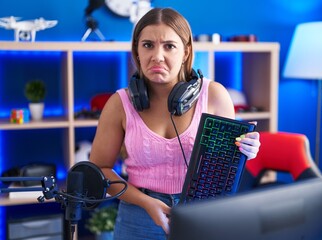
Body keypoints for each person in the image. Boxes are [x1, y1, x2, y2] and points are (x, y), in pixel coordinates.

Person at [89, 7, 261, 240]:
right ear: (137, 51)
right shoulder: (119, 103)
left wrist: (243, 151)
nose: (157, 56)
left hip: (200, 214)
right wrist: (147, 203)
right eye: (148, 45)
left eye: (169, 46)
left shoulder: (214, 95)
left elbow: (223, 169)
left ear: (186, 51)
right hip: (138, 217)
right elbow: (100, 170)